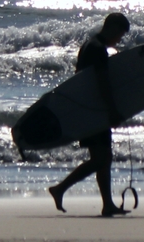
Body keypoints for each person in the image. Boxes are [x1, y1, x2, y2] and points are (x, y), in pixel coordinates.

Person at [48, 12, 132, 218]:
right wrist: (111, 110)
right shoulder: (97, 50)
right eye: (119, 34)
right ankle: (60, 188)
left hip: (88, 110)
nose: (118, 39)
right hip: (93, 112)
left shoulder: (89, 45)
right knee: (100, 159)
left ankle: (108, 205)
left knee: (103, 157)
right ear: (111, 27)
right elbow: (101, 84)